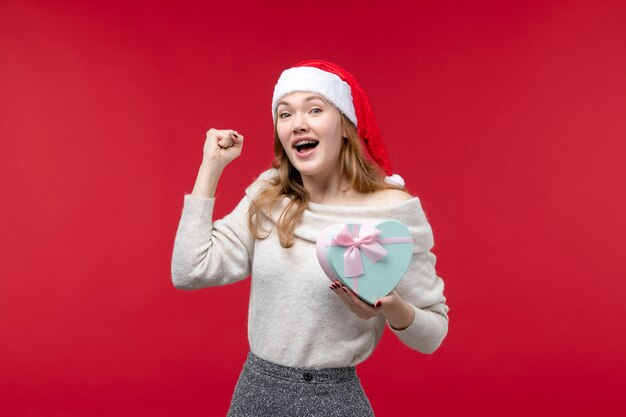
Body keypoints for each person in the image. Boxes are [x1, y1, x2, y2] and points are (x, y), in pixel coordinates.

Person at [171, 60, 449, 416]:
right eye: (285, 114)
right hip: (254, 396)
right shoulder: (269, 195)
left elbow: (432, 335)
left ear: (346, 127)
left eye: (315, 109)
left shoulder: (391, 212)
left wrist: (389, 306)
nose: (298, 123)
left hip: (332, 401)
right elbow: (189, 270)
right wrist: (210, 167)